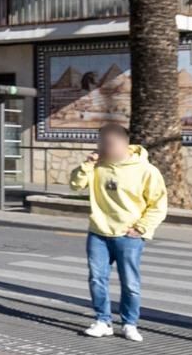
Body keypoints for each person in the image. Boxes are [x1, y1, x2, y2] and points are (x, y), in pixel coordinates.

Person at [69, 123, 167, 342]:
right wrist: (87, 165)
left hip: (128, 236)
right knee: (97, 278)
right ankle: (103, 321)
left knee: (130, 283)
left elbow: (159, 204)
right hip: (98, 232)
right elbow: (75, 185)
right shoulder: (97, 166)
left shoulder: (146, 171)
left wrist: (141, 228)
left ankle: (130, 324)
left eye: (109, 144)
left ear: (124, 143)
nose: (105, 148)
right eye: (101, 143)